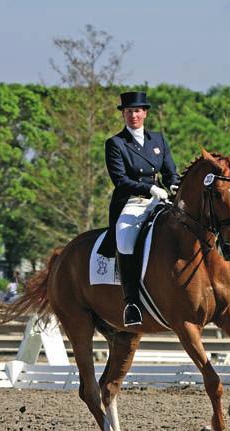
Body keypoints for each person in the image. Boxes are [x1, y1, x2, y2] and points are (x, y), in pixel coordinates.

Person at [100, 91, 180, 326]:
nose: (132, 115)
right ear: (123, 114)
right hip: (131, 203)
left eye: (136, 111)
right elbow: (120, 180)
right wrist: (149, 189)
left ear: (145, 113)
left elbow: (169, 172)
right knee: (124, 240)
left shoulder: (158, 140)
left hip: (159, 200)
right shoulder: (115, 143)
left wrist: (174, 184)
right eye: (128, 111)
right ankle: (132, 303)